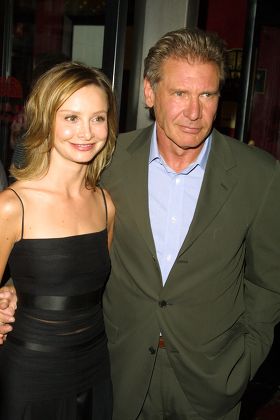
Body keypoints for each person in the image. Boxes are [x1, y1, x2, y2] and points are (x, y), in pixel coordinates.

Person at [1, 27, 280, 420]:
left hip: (212, 382)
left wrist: (245, 359)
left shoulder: (261, 175)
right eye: (180, 93)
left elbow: (268, 283)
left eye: (207, 94)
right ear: (150, 93)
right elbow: (63, 240)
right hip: (118, 374)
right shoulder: (106, 164)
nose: (194, 112)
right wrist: (16, 287)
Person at [0, 61, 116, 419]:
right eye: (71, 118)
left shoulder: (104, 203)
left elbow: (75, 284)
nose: (86, 132)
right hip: (31, 375)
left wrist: (20, 289)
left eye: (98, 118)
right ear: (45, 121)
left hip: (96, 365)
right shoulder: (12, 206)